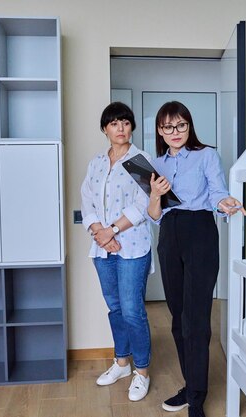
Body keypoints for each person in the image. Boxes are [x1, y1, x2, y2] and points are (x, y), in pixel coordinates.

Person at [147, 101, 246, 417]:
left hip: (200, 230)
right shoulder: (155, 164)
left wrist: (227, 202)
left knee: (196, 318)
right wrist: (154, 193)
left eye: (180, 125)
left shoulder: (206, 155)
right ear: (160, 131)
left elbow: (217, 193)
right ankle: (191, 387)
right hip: (169, 234)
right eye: (167, 127)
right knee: (178, 317)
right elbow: (154, 215)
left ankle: (198, 398)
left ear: (189, 126)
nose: (174, 132)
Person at [80, 102, 153, 402]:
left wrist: (112, 230)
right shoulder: (97, 162)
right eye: (114, 123)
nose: (120, 128)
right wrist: (100, 232)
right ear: (105, 129)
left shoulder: (141, 159)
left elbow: (143, 204)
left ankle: (143, 371)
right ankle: (122, 362)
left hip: (132, 246)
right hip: (102, 247)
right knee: (115, 307)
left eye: (125, 122)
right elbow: (87, 200)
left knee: (133, 310)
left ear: (131, 127)